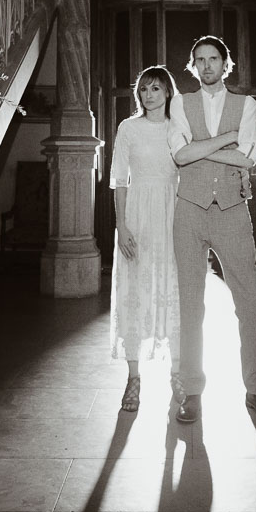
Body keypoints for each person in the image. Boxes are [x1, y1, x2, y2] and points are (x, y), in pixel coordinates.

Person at [167, 35, 256, 424]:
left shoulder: (246, 104)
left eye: (214, 58)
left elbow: (249, 157)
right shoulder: (180, 103)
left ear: (225, 64)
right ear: (193, 66)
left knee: (250, 304)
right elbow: (178, 154)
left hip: (233, 211)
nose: (207, 65)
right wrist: (226, 139)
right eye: (200, 60)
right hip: (190, 211)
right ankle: (192, 391)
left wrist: (202, 146)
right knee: (190, 305)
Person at [107, 65, 189, 413]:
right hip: (137, 217)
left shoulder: (180, 128)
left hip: (174, 215)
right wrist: (121, 227)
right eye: (143, 89)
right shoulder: (128, 128)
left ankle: (177, 374)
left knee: (176, 292)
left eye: (155, 88)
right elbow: (119, 180)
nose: (148, 95)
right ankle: (133, 378)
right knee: (135, 291)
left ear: (168, 92)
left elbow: (192, 172)